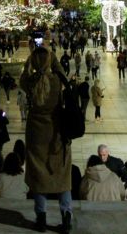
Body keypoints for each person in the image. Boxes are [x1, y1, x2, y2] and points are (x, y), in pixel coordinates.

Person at [20, 47, 73, 233]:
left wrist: (30, 61)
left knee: (39, 176)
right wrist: (52, 58)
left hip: (36, 134)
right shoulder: (57, 81)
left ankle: (41, 219)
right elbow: (62, 73)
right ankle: (66, 218)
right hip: (57, 132)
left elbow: (22, 78)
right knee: (62, 177)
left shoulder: (30, 82)